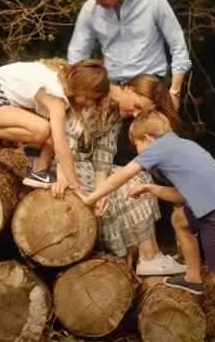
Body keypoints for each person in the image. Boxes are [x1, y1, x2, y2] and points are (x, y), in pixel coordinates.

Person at [77, 110, 215, 332]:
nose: (138, 153)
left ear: (147, 139)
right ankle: (193, 278)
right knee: (179, 219)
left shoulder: (157, 147)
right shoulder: (180, 145)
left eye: (136, 146)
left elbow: (124, 175)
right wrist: (150, 188)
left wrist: (92, 197)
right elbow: (183, 195)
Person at [50, 76, 186, 276]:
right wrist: (68, 179)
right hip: (61, 160)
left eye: (142, 112)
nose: (136, 113)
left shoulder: (115, 113)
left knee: (140, 178)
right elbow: (65, 139)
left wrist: (101, 187)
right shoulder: (95, 95)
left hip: (84, 162)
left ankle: (150, 256)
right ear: (128, 88)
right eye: (137, 106)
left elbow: (104, 152)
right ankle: (138, 258)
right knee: (123, 185)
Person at [0, 58, 109, 190]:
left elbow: (60, 141)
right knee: (43, 130)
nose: (89, 103)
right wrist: (75, 184)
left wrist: (63, 178)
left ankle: (39, 170)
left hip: (0, 109)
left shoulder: (61, 82)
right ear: (81, 86)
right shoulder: (55, 94)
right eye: (89, 97)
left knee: (51, 132)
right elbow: (61, 145)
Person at [67, 0, 191, 111]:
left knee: (152, 135)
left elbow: (178, 45)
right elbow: (77, 55)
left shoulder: (153, 0)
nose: (97, 2)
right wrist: (89, 88)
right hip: (111, 90)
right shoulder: (90, 9)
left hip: (150, 90)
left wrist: (175, 91)